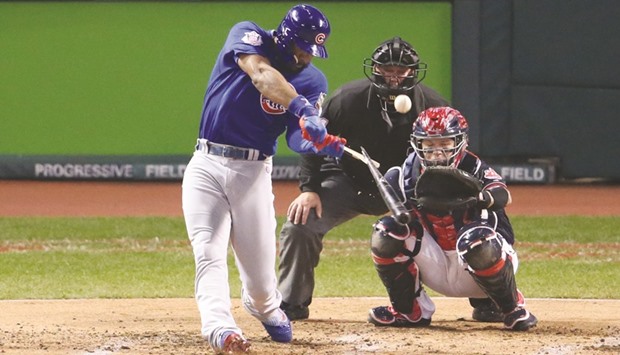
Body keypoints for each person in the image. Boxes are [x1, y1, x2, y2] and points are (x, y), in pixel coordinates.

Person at [181, 4, 346, 353]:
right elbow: (260, 75)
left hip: (253, 173)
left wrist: (318, 142)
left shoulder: (314, 80)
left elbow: (295, 138)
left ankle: (264, 307)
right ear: (286, 37)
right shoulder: (249, 35)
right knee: (208, 250)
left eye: (312, 50)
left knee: (260, 280)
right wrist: (302, 108)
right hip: (207, 164)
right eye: (303, 47)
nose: (306, 56)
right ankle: (220, 329)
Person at [277, 36, 449, 320]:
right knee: (300, 224)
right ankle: (292, 304)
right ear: (376, 69)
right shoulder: (347, 99)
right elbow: (314, 141)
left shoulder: (432, 106)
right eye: (387, 69)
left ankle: (488, 301)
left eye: (401, 71)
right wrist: (309, 189)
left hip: (410, 189)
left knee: (459, 223)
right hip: (349, 180)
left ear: (413, 72)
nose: (394, 77)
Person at [367, 106, 538, 331]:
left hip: (480, 262)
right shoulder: (403, 176)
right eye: (429, 146)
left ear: (459, 143)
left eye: (445, 145)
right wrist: (406, 210)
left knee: (476, 240)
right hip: (436, 263)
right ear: (418, 145)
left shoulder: (473, 167)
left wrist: (475, 198)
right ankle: (410, 311)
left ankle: (511, 307)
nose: (437, 153)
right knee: (386, 232)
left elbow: (502, 195)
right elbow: (392, 217)